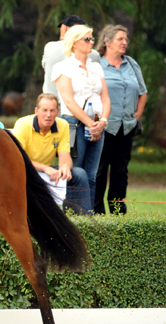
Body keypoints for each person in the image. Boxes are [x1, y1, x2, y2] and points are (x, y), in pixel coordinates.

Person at [52, 24, 111, 211]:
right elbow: (68, 101)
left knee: (92, 175)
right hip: (73, 124)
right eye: (87, 39)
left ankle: (88, 216)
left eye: (92, 38)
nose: (91, 42)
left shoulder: (96, 67)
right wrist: (90, 123)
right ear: (74, 43)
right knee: (76, 173)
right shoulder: (63, 67)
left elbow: (106, 98)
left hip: (97, 123)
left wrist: (102, 122)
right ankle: (72, 216)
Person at [94, 24, 147, 215]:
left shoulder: (131, 64)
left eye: (126, 39)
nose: (125, 43)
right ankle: (97, 211)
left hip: (126, 127)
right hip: (104, 126)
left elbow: (142, 92)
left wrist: (138, 113)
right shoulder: (97, 64)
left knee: (120, 171)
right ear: (107, 42)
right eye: (120, 39)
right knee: (99, 170)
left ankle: (117, 210)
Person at [12, 93, 91, 214]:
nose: (48, 115)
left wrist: (64, 167)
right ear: (36, 111)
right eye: (44, 110)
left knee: (79, 174)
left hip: (49, 172)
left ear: (58, 112)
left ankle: (82, 219)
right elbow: (18, 158)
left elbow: (65, 156)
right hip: (25, 170)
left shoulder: (62, 125)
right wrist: (45, 168)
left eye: (52, 111)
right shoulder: (22, 124)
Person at [42, 15, 100, 96]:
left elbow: (46, 69)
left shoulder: (50, 47)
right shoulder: (94, 55)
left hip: (51, 103)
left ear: (64, 29)